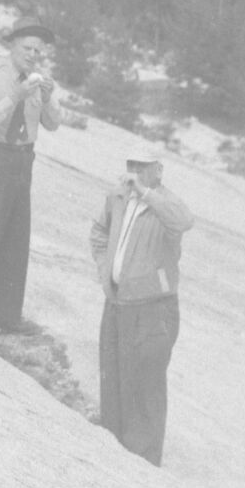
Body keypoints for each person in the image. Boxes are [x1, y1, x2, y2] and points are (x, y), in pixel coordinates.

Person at [0, 21, 82, 336]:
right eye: (27, 48)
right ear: (12, 46)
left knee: (16, 242)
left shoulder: (37, 80)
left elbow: (53, 124)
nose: (32, 55)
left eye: (38, 52)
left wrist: (48, 97)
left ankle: (5, 319)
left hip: (23, 161)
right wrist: (14, 96)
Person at [89, 147, 193, 465]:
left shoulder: (165, 203)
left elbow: (184, 221)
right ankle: (112, 448)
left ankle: (143, 460)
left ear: (158, 170)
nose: (134, 171)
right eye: (131, 164)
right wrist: (105, 271)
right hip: (118, 301)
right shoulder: (118, 197)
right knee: (113, 376)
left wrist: (146, 193)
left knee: (145, 383)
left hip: (153, 306)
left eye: (142, 165)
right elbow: (99, 232)